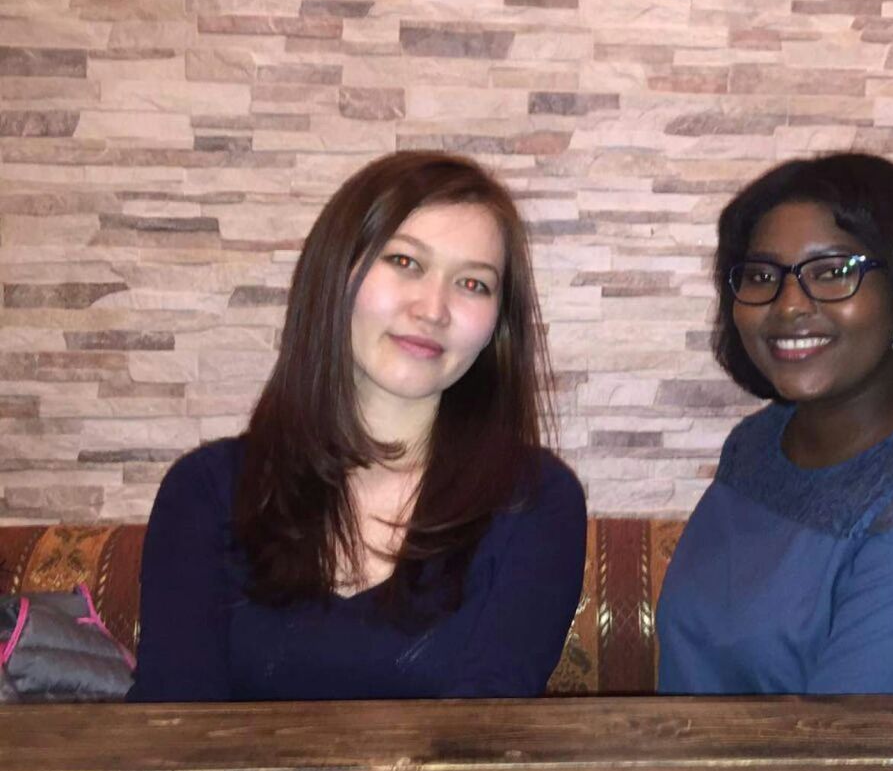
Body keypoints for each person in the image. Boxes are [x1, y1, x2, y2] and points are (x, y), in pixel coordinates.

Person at [130, 152, 586, 701]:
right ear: (335, 273)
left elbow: (486, 723)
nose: (433, 309)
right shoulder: (206, 491)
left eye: (473, 283)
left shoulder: (534, 501)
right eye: (405, 261)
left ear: (497, 327)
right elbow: (175, 721)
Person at [656, 153, 893, 695]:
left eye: (832, 273)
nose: (788, 306)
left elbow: (855, 735)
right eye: (762, 276)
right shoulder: (756, 444)